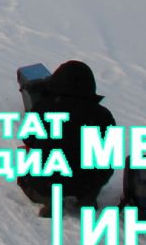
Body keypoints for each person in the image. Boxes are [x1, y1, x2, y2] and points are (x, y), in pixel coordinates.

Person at [17, 61, 116, 216]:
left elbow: (28, 139)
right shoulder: (102, 114)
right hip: (88, 182)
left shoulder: (43, 107)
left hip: (47, 180)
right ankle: (86, 197)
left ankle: (49, 198)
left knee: (23, 157)